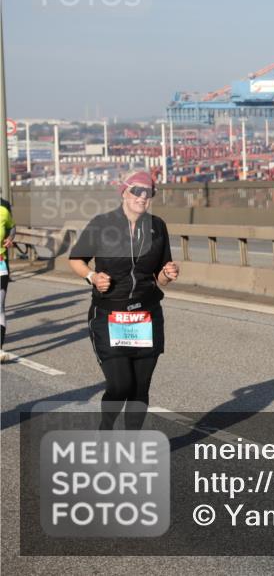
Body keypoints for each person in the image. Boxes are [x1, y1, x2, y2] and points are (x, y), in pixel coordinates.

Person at [68, 171, 180, 430]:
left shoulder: (157, 226)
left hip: (146, 315)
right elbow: (77, 259)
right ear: (124, 192)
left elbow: (160, 277)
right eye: (137, 191)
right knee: (120, 386)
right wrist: (93, 277)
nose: (143, 197)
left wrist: (167, 274)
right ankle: (106, 428)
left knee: (140, 389)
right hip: (109, 316)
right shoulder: (102, 224)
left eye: (149, 192)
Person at [0, 193, 15, 362]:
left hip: (0, 263)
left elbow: (12, 226)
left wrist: (10, 238)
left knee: (0, 307)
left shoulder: (3, 208)